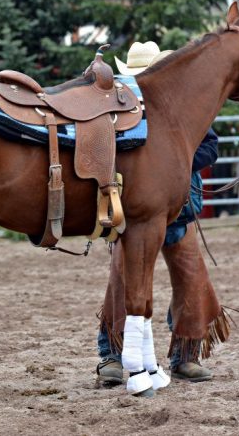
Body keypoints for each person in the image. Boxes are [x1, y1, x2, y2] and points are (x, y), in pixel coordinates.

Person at [96, 41, 230, 385]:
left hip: (179, 209)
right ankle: (112, 356)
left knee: (191, 281)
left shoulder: (184, 107)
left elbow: (210, 146)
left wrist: (174, 168)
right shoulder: (121, 109)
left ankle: (185, 356)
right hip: (135, 212)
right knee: (122, 283)